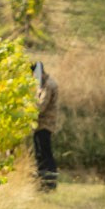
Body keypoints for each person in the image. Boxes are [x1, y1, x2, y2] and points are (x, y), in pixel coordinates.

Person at [31, 61, 59, 190]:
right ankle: (43, 182)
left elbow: (41, 105)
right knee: (40, 154)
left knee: (45, 154)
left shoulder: (48, 85)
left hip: (45, 124)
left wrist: (28, 112)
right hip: (39, 125)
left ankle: (49, 183)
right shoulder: (43, 84)